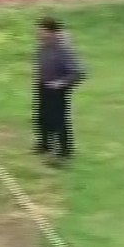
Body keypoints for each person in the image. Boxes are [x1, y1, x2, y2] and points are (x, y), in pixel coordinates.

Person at [34, 16, 86, 166]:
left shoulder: (64, 49)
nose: (38, 34)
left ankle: (64, 150)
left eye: (41, 31)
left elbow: (79, 72)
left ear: (51, 32)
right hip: (43, 86)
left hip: (57, 90)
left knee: (59, 120)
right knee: (42, 117)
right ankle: (45, 144)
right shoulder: (44, 46)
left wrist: (61, 83)